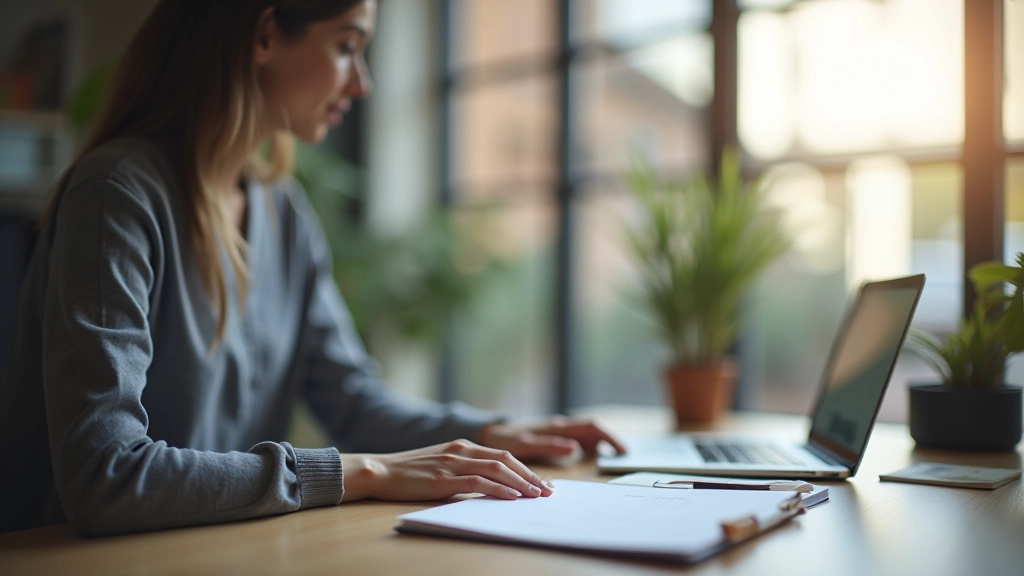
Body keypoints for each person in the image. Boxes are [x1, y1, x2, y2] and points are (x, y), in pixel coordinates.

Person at [0, 0, 625, 536]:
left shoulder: (284, 212)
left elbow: (351, 402)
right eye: (347, 46)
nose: (363, 84)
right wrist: (367, 472)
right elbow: (105, 475)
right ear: (265, 35)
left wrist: (492, 434)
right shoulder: (115, 195)